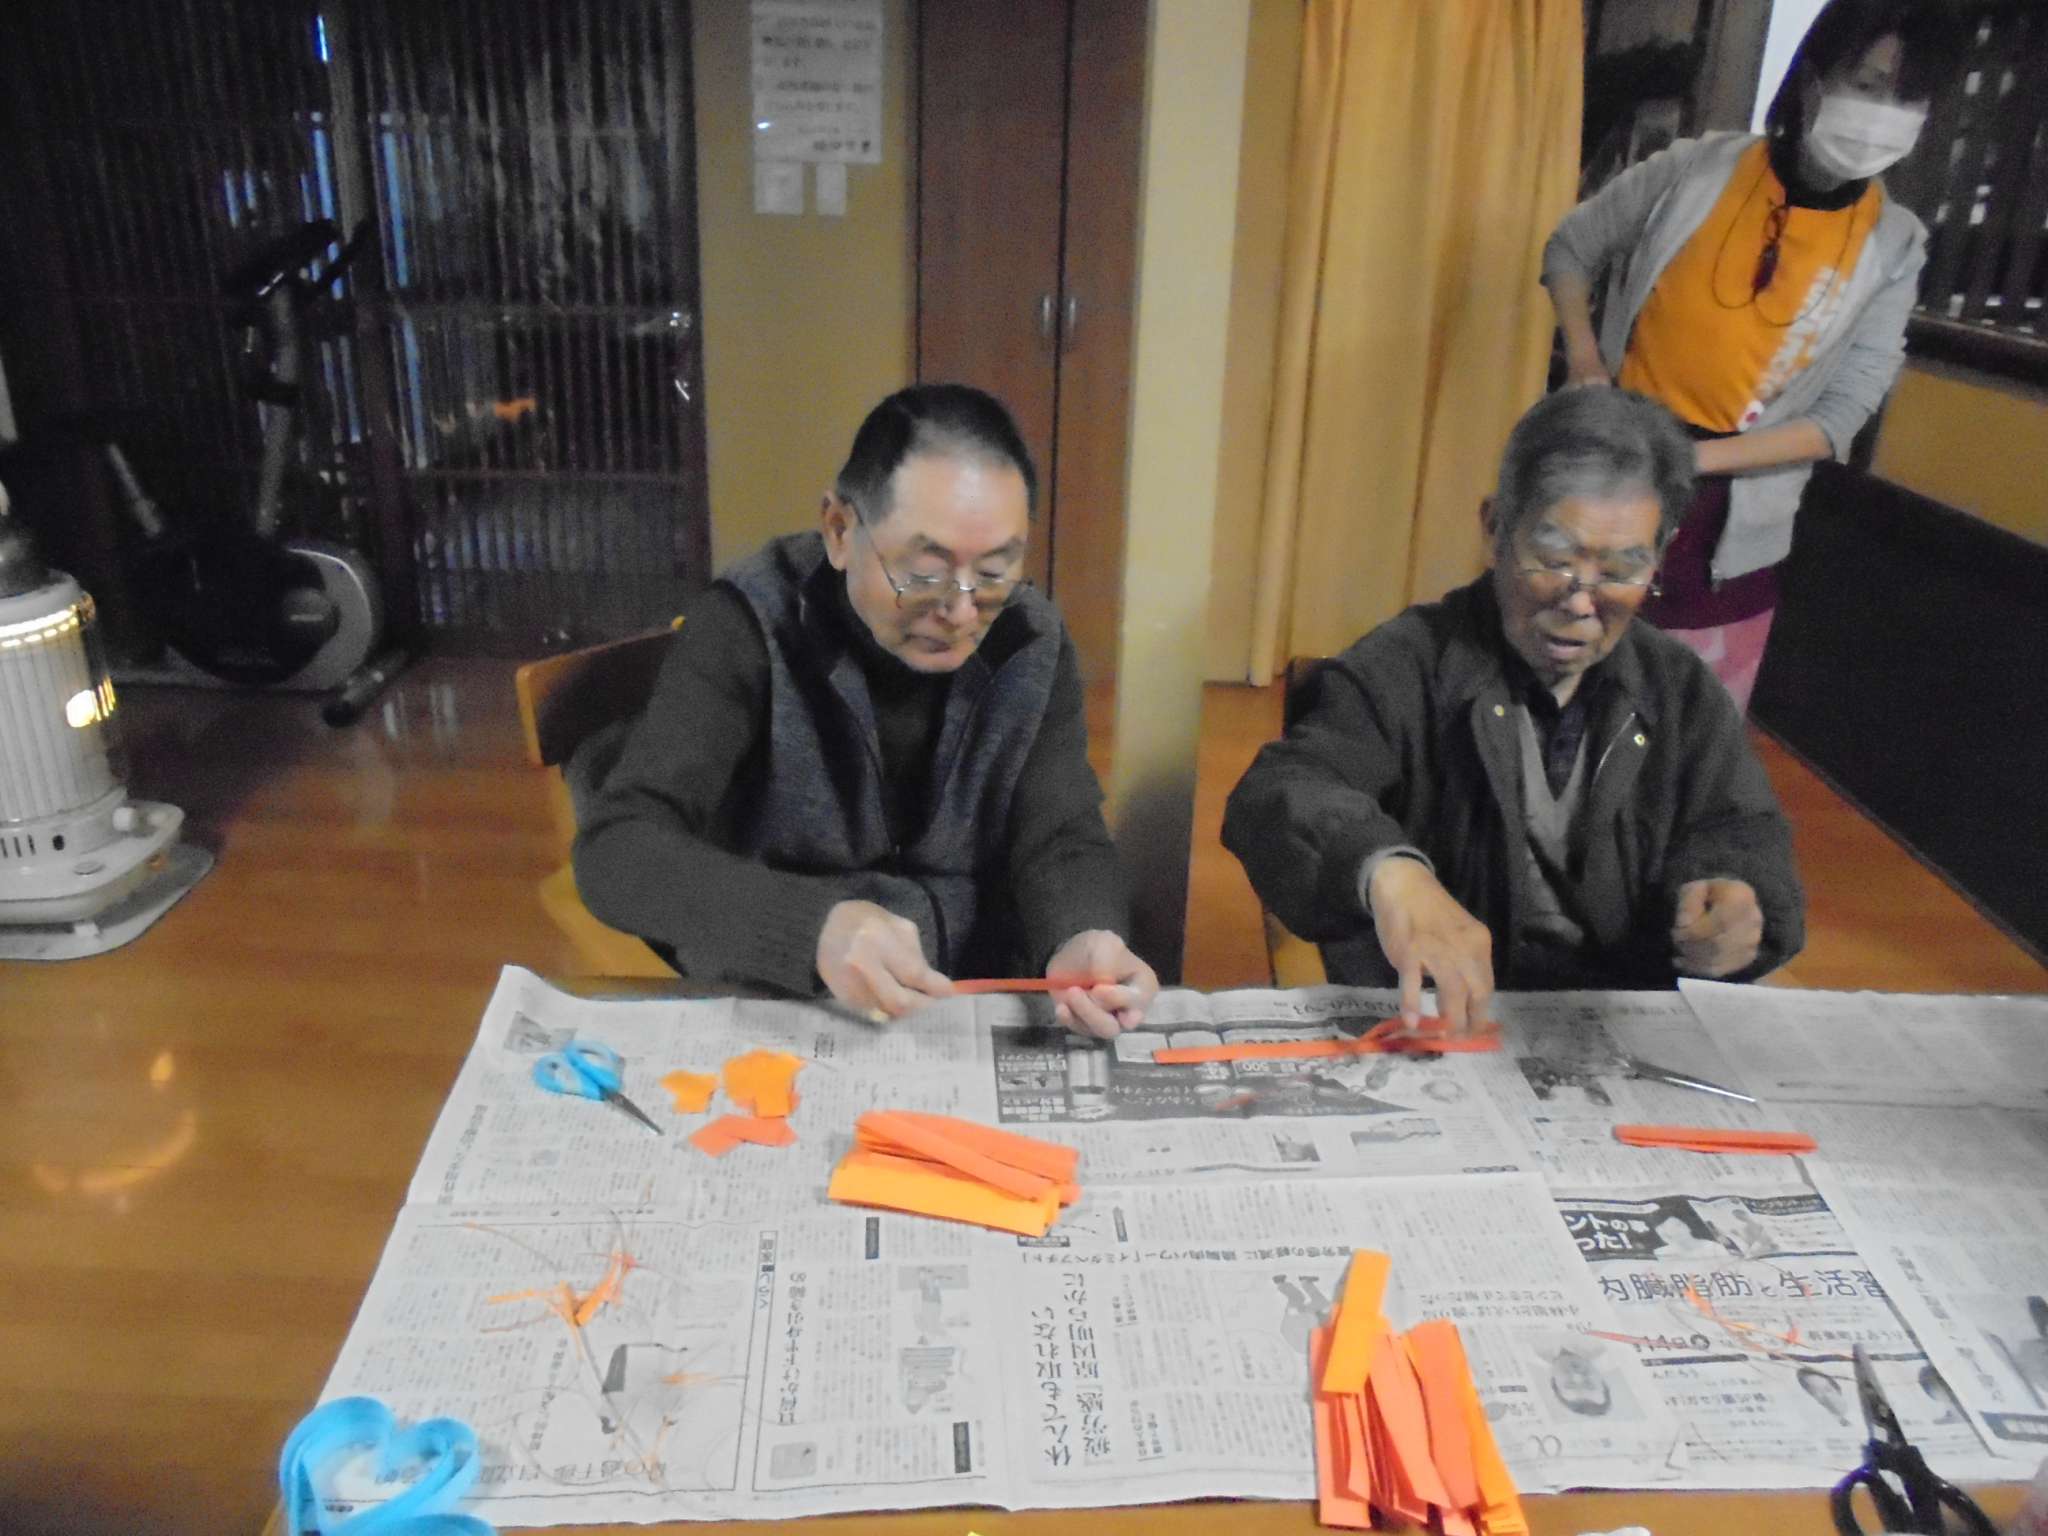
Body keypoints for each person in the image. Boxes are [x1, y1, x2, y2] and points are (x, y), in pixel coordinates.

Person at [573, 384, 1157, 1036]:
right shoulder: (749, 628)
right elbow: (617, 847)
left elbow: (1061, 834)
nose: (961, 611)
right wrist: (810, 927)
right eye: (925, 572)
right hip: (789, 1002)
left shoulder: (1029, 640)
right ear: (840, 530)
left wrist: (1081, 932)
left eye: (995, 571)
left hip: (971, 1001)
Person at [1223, 389, 1804, 1031]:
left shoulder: (1678, 688)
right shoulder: (1410, 664)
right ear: (1496, 528)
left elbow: (1742, 828)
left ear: (1660, 553)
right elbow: (1281, 789)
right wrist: (1387, 872)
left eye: (1620, 572)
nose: (1580, 602)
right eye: (1554, 562)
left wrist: (1736, 893)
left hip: (1616, 1033)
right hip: (1442, 1023)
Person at [1541, 0, 1966, 711]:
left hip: (1731, 524)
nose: (1884, 114)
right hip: (1609, 468)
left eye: (1908, 98)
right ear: (1813, 79)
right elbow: (1571, 248)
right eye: (1867, 85)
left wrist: (1693, 462)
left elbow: (1841, 417)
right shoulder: (1695, 169)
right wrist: (1585, 361)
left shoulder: (1895, 245)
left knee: (1685, 726)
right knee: (1560, 691)